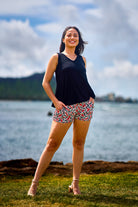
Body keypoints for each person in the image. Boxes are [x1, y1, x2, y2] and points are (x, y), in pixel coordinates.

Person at [27, 26, 95, 196]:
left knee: (79, 144)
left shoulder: (82, 60)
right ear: (63, 39)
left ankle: (75, 184)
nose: (72, 37)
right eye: (69, 35)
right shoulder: (56, 57)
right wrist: (55, 102)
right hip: (64, 106)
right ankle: (34, 185)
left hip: (84, 105)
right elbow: (45, 82)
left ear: (78, 40)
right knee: (51, 144)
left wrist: (91, 97)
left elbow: (82, 81)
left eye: (75, 35)